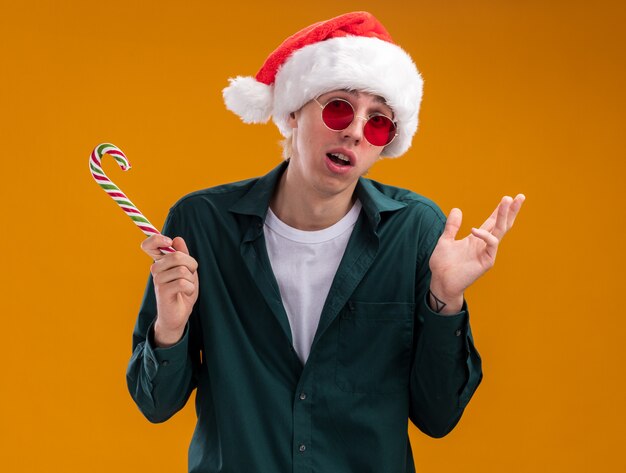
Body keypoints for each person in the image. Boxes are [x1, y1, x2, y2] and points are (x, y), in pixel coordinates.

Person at [126, 11, 525, 473]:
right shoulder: (201, 224)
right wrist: (170, 328)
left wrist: (446, 301)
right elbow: (155, 403)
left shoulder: (416, 232)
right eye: (339, 106)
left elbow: (438, 416)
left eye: (378, 122)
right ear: (294, 111)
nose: (356, 130)